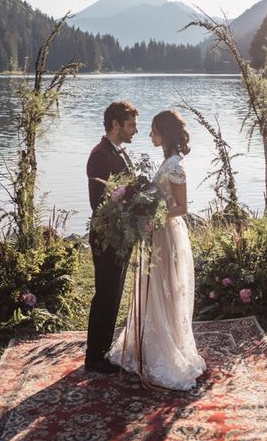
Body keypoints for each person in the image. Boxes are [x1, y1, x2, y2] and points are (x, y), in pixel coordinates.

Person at [109, 110, 206, 390]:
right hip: (157, 232)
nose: (149, 135)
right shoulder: (167, 161)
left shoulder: (175, 165)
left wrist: (154, 213)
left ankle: (166, 350)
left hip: (166, 233)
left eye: (153, 131)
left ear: (164, 134)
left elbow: (182, 207)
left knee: (164, 289)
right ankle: (148, 345)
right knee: (155, 289)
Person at [85, 100, 139, 374]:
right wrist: (130, 196)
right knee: (105, 294)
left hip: (121, 237)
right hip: (107, 236)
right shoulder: (100, 154)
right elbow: (98, 202)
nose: (135, 131)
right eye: (131, 125)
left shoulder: (120, 152)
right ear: (115, 124)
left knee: (114, 294)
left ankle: (103, 351)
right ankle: (93, 357)